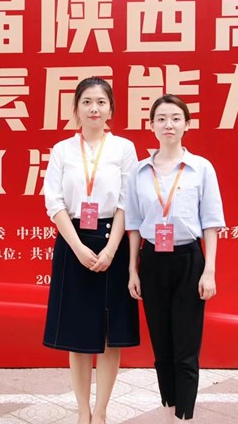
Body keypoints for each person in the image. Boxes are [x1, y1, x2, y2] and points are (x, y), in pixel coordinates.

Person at [42, 77, 140, 424]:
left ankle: (101, 412)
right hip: (73, 241)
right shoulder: (62, 150)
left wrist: (111, 250)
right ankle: (83, 412)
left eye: (101, 102)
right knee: (78, 334)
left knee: (111, 336)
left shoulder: (123, 149)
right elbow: (53, 202)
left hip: (113, 240)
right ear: (76, 109)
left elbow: (129, 200)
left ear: (111, 109)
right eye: (86, 102)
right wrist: (78, 248)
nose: (94, 108)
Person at [125, 94, 226, 422]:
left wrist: (209, 271)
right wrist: (133, 270)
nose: (168, 125)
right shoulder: (139, 172)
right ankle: (169, 413)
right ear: (151, 125)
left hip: (188, 260)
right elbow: (134, 225)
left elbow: (211, 223)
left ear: (187, 125)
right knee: (162, 349)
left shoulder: (201, 168)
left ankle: (185, 417)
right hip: (152, 261)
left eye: (175, 118)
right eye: (161, 119)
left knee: (186, 349)